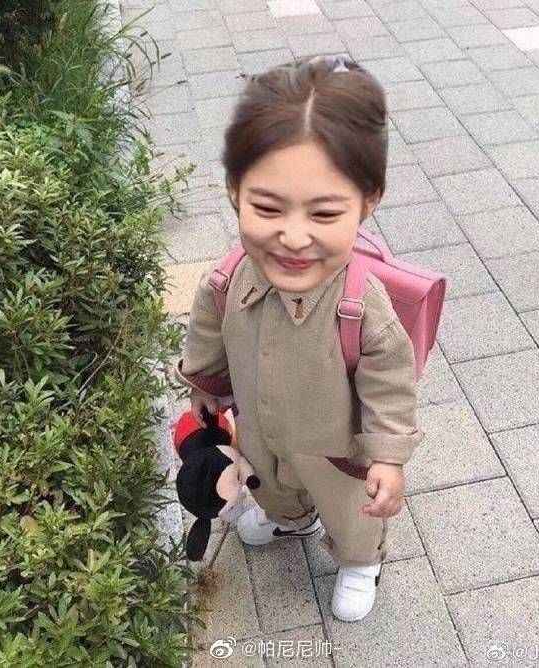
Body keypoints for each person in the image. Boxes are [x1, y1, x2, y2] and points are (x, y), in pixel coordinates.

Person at [173, 54, 423, 623]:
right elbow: (208, 329)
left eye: (324, 214)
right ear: (235, 191)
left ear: (368, 201)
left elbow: (391, 387)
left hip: (336, 449)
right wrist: (205, 385)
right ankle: (290, 519)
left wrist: (388, 458)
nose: (292, 236)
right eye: (267, 207)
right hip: (260, 428)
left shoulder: (361, 306)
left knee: (352, 510)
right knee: (272, 485)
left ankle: (359, 561)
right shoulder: (228, 278)